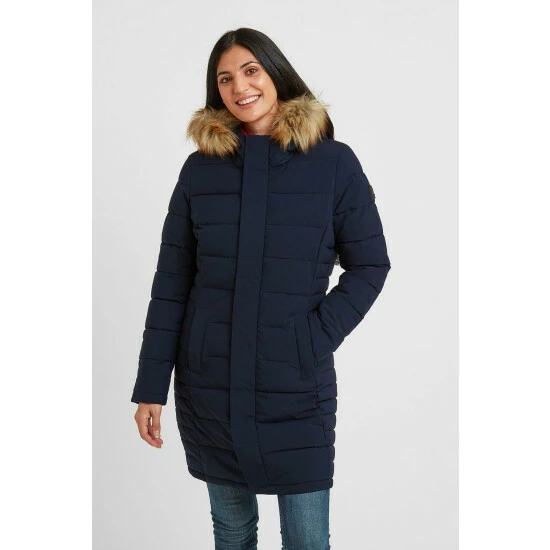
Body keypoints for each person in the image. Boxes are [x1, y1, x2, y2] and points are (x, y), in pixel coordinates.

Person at [131, 27, 391, 550]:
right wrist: (150, 386)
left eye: (251, 71)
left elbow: (370, 266)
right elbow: (172, 283)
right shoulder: (200, 170)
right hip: (210, 384)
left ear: (276, 73)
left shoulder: (333, 163)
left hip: (295, 386)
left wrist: (311, 337)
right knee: (231, 532)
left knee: (306, 538)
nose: (240, 87)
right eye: (225, 78)